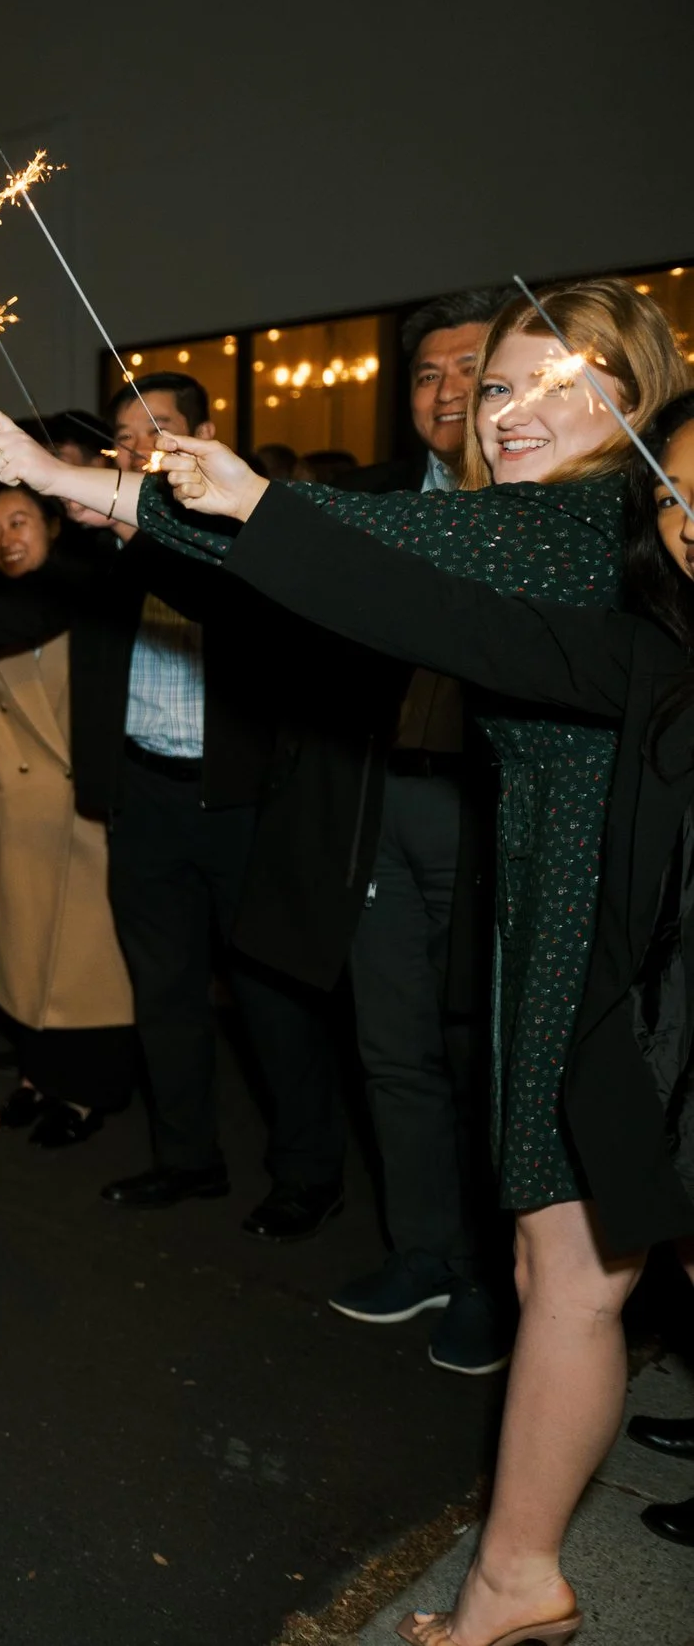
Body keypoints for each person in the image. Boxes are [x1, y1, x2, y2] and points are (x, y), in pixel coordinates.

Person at [124, 381, 694, 1646]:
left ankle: (517, 1579)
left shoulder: (576, 549)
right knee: (570, 1265)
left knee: (579, 1267)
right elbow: (436, 614)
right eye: (682, 494)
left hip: (622, 974)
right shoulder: (649, 649)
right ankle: (516, 1579)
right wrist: (237, 506)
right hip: (643, 990)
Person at [0, 372, 353, 1239]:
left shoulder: (240, 530)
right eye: (126, 432)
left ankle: (308, 1173)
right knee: (164, 991)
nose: (137, 443)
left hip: (242, 799)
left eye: (157, 426)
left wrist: (130, 522)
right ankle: (186, 1157)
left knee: (271, 998)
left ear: (204, 432)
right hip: (143, 795)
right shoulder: (99, 551)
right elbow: (4, 611)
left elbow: (246, 608)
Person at [324, 286, 519, 1374]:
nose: (447, 392)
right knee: (392, 1043)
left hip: (488, 807)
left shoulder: (542, 501)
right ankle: (424, 1251)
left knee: (482, 1051)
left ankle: (493, 1279)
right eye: (428, 373)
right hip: (381, 796)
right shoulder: (376, 498)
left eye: (471, 371)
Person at [0, 485, 139, 1145]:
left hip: (89, 806)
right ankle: (40, 1076)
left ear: (54, 527)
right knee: (29, 953)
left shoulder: (92, 596)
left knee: (89, 962)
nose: (5, 537)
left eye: (20, 521)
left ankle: (87, 1092)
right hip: (20, 813)